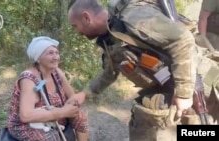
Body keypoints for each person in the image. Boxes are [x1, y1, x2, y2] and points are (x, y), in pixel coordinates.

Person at [67, 0, 219, 141]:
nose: (77, 32)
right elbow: (109, 72)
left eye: (75, 26)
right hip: (170, 88)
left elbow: (183, 40)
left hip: (200, 81)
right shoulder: (111, 36)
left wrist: (184, 94)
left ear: (86, 18)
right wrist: (85, 93)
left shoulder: (133, 18)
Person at [7, 36, 89, 141]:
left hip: (53, 117)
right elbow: (26, 116)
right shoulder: (28, 79)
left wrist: (74, 104)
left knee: (80, 115)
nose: (56, 57)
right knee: (50, 137)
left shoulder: (56, 72)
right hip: (26, 125)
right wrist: (62, 112)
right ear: (38, 58)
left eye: (57, 53)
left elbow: (72, 97)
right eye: (50, 53)